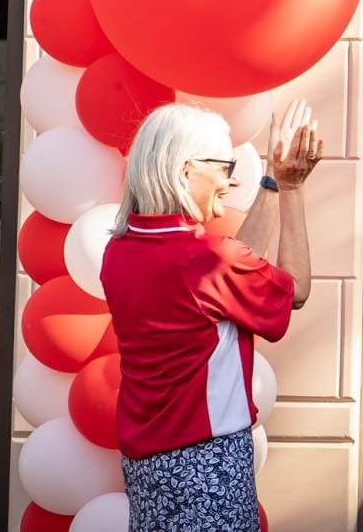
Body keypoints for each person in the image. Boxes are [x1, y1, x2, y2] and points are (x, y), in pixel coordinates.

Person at [101, 100, 323, 531]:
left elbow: (231, 274)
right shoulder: (205, 259)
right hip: (207, 461)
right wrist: (293, 188)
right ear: (186, 171)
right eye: (224, 166)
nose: (232, 177)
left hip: (147, 466)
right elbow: (295, 289)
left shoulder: (119, 251)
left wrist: (272, 181)